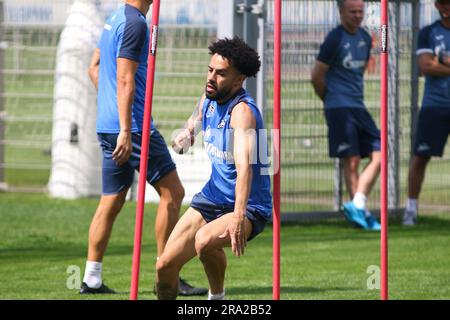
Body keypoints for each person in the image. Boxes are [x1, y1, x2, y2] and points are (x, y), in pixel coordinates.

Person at [79, 0, 207, 296]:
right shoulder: (136, 23)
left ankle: (91, 278)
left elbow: (93, 68)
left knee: (111, 200)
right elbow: (124, 78)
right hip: (133, 129)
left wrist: (111, 111)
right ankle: (167, 274)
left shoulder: (114, 18)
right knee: (173, 192)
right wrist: (126, 127)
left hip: (109, 125)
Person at [155, 37, 272, 300]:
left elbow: (245, 170)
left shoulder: (242, 113)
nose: (211, 77)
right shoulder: (208, 100)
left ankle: (216, 299)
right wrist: (183, 138)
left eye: (220, 74)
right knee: (164, 266)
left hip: (248, 205)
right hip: (214, 196)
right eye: (210, 70)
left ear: (239, 79)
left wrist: (240, 216)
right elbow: (189, 129)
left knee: (205, 241)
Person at [311, 0, 381, 231]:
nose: (358, 15)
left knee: (380, 153)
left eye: (361, 11)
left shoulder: (365, 37)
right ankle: (359, 215)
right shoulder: (334, 38)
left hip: (357, 106)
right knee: (350, 160)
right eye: (353, 11)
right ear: (341, 12)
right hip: (339, 107)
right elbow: (317, 75)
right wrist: (330, 100)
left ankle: (358, 204)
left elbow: (359, 71)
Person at [403, 0, 450, 226]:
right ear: (437, 5)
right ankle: (410, 210)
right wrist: (438, 63)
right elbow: (425, 66)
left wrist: (441, 59)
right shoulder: (428, 32)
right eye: (444, 3)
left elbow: (434, 63)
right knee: (420, 157)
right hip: (435, 104)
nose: (447, 7)